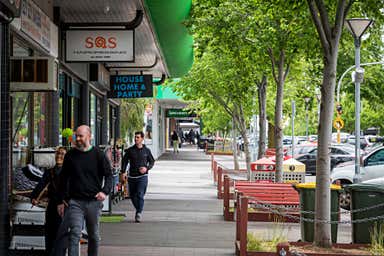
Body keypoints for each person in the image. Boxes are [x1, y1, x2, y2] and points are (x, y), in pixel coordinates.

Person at [56, 125, 112, 256]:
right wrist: (60, 201)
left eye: (81, 136)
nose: (78, 139)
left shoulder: (99, 155)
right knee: (74, 234)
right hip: (75, 202)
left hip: (94, 202)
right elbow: (63, 179)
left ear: (89, 136)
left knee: (93, 235)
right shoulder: (70, 156)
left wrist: (104, 191)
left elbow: (109, 175)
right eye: (77, 136)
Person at [30, 147, 67, 256]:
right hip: (52, 207)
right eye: (58, 153)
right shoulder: (49, 171)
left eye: (62, 154)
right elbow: (41, 184)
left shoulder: (69, 172)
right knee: (49, 233)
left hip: (64, 206)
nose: (59, 156)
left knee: (61, 234)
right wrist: (34, 196)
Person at [121, 131, 155, 223]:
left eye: (138, 137)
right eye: (135, 137)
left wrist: (146, 168)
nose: (136, 139)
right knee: (132, 196)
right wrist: (123, 172)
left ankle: (138, 213)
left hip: (142, 177)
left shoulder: (146, 151)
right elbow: (124, 161)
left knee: (140, 194)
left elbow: (152, 162)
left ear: (142, 139)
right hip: (132, 177)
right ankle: (139, 208)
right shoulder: (130, 150)